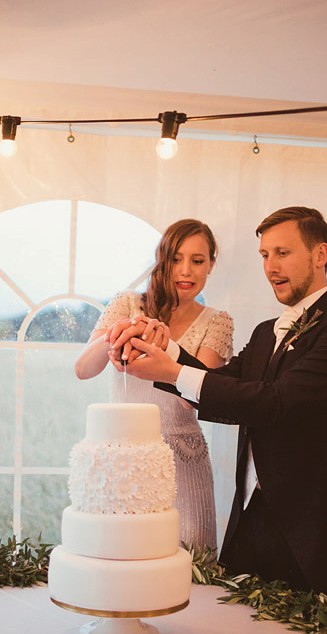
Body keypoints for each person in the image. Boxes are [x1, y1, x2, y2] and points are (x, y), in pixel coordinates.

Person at [108, 206, 327, 615]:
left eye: (282, 253)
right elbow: (228, 385)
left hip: (314, 529)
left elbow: (276, 402)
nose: (271, 266)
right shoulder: (266, 330)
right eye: (265, 255)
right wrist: (165, 348)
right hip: (250, 523)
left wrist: (173, 368)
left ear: (320, 255)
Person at [75, 218, 234, 551]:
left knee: (190, 561)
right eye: (176, 259)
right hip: (123, 454)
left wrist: (167, 350)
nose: (186, 270)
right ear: (163, 260)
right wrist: (123, 332)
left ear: (211, 265)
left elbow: (195, 399)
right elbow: (83, 369)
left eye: (198, 260)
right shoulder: (127, 304)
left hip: (183, 457)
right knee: (123, 559)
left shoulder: (217, 321)